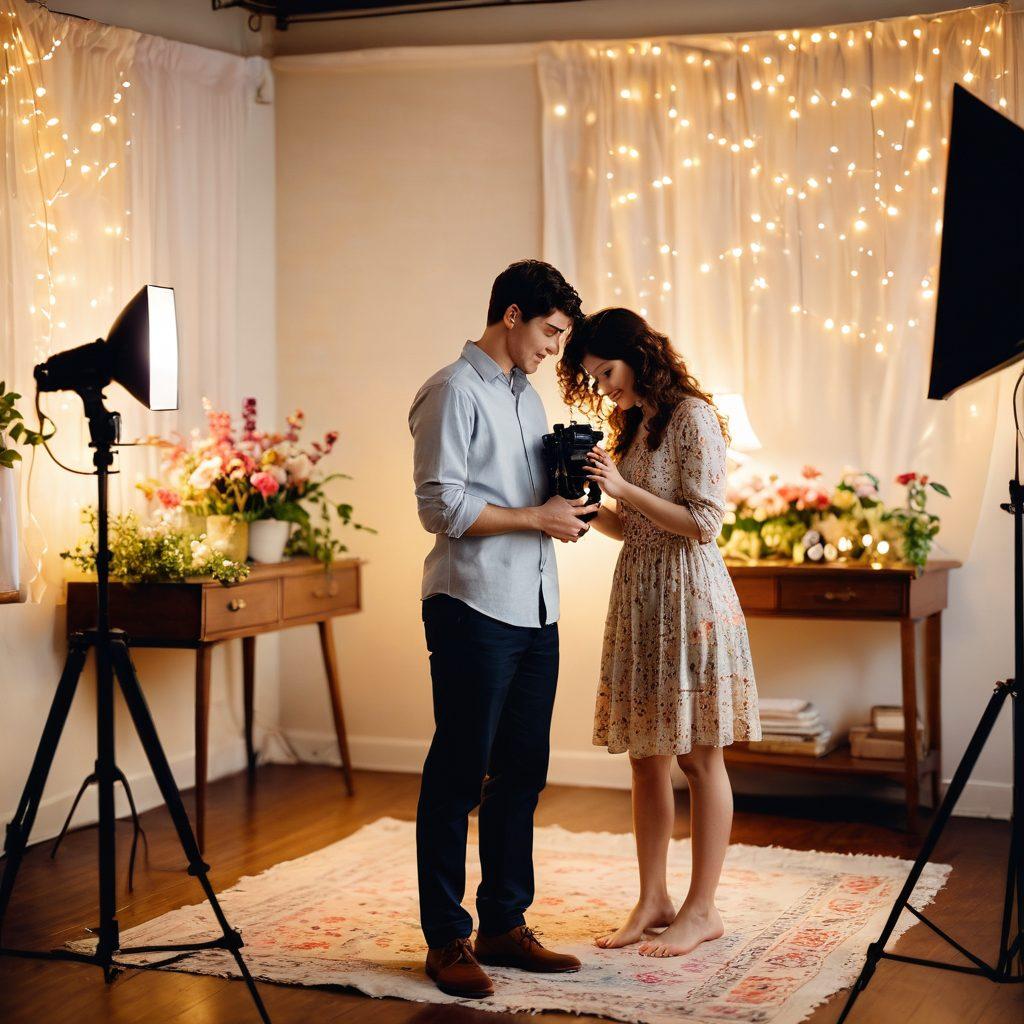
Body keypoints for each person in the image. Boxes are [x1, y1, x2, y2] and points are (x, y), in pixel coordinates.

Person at [408, 259, 596, 998]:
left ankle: (504, 925)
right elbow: (439, 507)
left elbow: (521, 496)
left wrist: (570, 489)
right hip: (472, 607)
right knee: (457, 775)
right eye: (549, 332)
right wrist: (534, 518)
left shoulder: (524, 396)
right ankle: (447, 939)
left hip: (535, 607)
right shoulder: (451, 391)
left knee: (520, 774)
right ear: (512, 315)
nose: (555, 349)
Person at [556, 307, 761, 959]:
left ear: (638, 354)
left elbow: (702, 523)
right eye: (592, 378)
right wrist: (594, 504)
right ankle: (654, 900)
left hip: (689, 596)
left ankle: (702, 911)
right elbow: (637, 526)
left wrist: (622, 488)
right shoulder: (632, 422)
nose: (603, 387)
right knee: (646, 757)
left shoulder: (694, 416)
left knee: (700, 758)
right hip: (641, 594)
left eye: (606, 372)